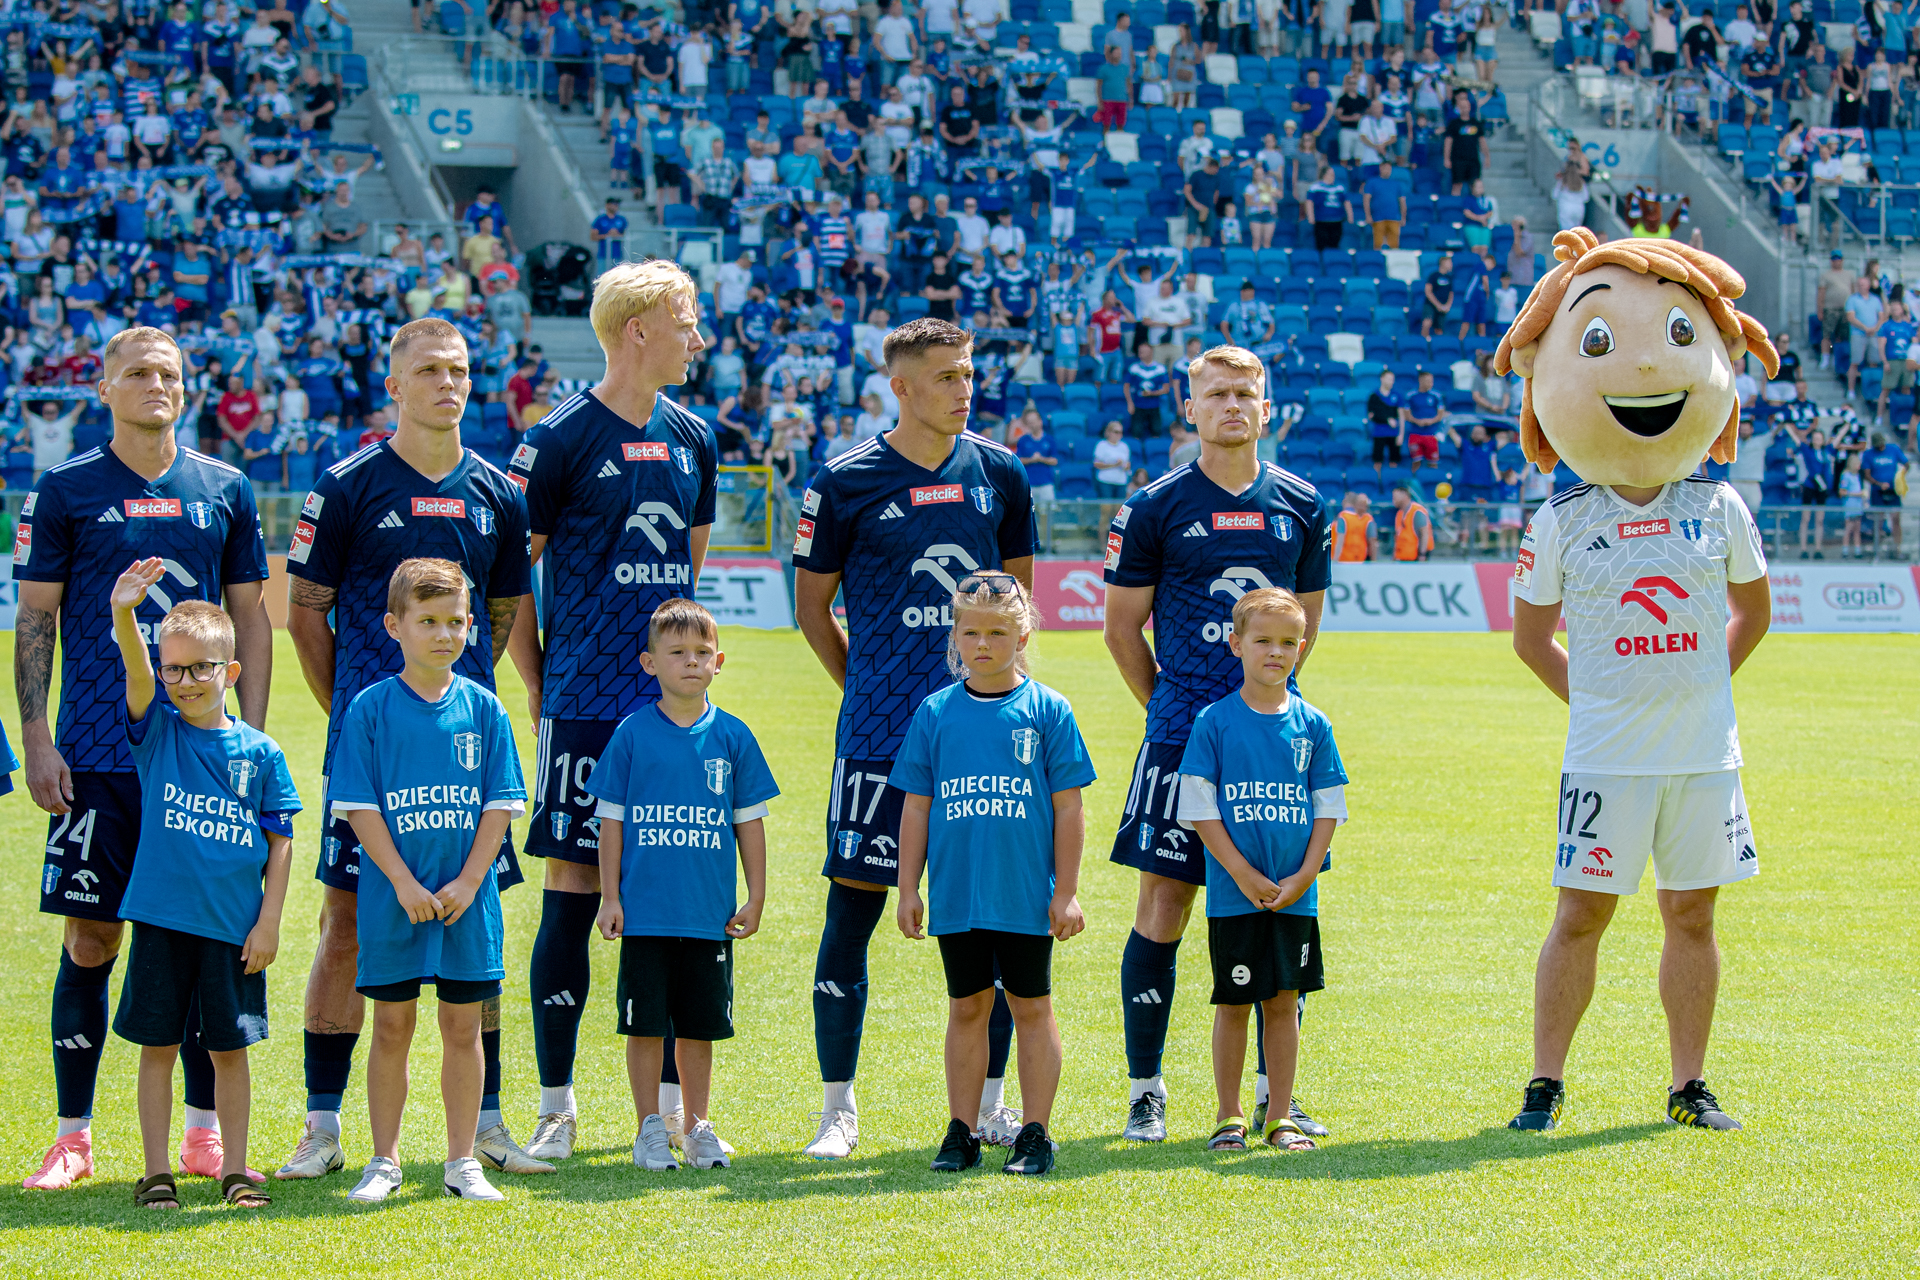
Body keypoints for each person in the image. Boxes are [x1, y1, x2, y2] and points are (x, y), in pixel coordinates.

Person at [275, 317, 540, 1181]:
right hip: (373, 753)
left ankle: (487, 1126)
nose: (447, 384)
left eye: (458, 370)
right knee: (345, 923)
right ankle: (323, 1127)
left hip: (463, 753)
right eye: (428, 370)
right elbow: (305, 613)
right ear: (393, 386)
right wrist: (359, 718)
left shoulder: (499, 492)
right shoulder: (346, 485)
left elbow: (500, 615)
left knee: (476, 922)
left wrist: (445, 718)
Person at [16, 327, 274, 1192]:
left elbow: (252, 616)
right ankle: (73, 1137)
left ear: (186, 387)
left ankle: (204, 1135)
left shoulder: (224, 487)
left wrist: (248, 742)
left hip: (201, 766)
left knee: (204, 939)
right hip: (97, 755)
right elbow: (37, 618)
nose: (155, 385)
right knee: (91, 939)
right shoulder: (64, 489)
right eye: (136, 373)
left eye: (168, 373)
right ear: (104, 389)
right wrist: (38, 738)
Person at [790, 316, 1037, 1160]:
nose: (964, 389)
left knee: (993, 924)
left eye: (968, 373)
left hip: (982, 742)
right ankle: (837, 1110)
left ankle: (992, 1106)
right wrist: (866, 687)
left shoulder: (1000, 473)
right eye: (946, 376)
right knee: (850, 916)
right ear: (900, 386)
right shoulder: (844, 480)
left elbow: (1015, 607)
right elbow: (811, 609)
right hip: (878, 739)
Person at [506, 260, 719, 1162]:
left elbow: (688, 576)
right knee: (573, 890)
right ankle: (557, 1105)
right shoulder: (556, 439)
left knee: (671, 899)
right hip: (585, 705)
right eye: (686, 321)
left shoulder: (695, 438)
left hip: (673, 713)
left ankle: (668, 1112)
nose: (697, 338)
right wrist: (541, 680)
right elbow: (511, 578)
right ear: (638, 330)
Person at [1103, 344, 1333, 1144]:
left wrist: (1260, 714)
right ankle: (1146, 1090)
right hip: (1178, 739)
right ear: (1190, 408)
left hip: (1270, 749)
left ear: (1266, 409)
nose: (1232, 406)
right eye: (1217, 394)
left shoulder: (1302, 504)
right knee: (1163, 906)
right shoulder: (1153, 507)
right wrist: (1177, 713)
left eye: (1245, 394)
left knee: (1279, 905)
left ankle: (1276, 1098)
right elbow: (1121, 629)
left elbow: (1303, 627)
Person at [328, 558, 528, 1203]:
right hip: (396, 901)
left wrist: (470, 882)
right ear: (395, 625)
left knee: (464, 1030)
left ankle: (462, 1162)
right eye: (429, 621)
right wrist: (402, 882)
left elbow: (500, 805)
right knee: (391, 1027)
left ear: (471, 626)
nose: (444, 634)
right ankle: (383, 1161)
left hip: (467, 903)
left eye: (456, 622)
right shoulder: (370, 708)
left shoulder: (485, 709)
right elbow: (359, 806)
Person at [894, 574, 1095, 1175]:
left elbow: (1069, 807)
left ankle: (1036, 1133)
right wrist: (908, 888)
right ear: (955, 637)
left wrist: (1066, 892)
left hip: (1024, 895)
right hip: (959, 894)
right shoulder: (935, 712)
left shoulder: (1048, 710)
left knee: (1032, 1008)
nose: (983, 644)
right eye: (972, 633)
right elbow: (916, 807)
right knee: (966, 1008)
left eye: (999, 633)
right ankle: (962, 1132)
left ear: (1023, 635)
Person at [109, 580, 299, 1210]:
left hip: (232, 929)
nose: (185, 681)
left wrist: (269, 921)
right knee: (158, 1048)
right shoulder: (157, 733)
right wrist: (124, 612)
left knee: (229, 1051)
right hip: (162, 921)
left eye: (200, 668)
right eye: (174, 669)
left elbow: (280, 840)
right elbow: (136, 670)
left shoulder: (261, 753)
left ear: (230, 672)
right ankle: (156, 1173)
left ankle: (235, 1171)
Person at [587, 598, 778, 1172]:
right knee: (644, 1025)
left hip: (708, 916)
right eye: (676, 653)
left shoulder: (734, 737)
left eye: (701, 652)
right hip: (645, 914)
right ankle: (649, 1128)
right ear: (649, 663)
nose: (691, 662)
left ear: (718, 661)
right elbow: (611, 823)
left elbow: (749, 823)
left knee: (699, 1027)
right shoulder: (631, 735)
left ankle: (697, 1127)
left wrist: (756, 896)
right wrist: (611, 896)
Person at [1178, 587, 1346, 1152]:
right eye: (1263, 641)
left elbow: (1327, 806)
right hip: (1236, 893)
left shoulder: (1313, 725)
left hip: (1294, 893)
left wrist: (1305, 876)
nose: (1276, 652)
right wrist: (1242, 874)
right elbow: (1200, 807)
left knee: (1283, 1003)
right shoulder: (1214, 722)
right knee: (1233, 1003)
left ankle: (1279, 1117)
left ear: (1302, 647)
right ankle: (1229, 1116)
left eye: (1289, 643)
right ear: (1236, 644)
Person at [1388, 483, 1432, 560]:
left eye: (1395, 497)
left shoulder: (1417, 511)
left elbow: (1424, 534)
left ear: (1405, 495)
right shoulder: (1399, 514)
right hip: (1403, 556)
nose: (1393, 500)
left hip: (1416, 556)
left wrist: (1422, 554)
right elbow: (1398, 536)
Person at [1333, 491, 1376, 561]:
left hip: (1348, 559)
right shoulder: (1367, 519)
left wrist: (1335, 559)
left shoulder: (1343, 517)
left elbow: (1340, 540)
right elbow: (1372, 541)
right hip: (1356, 558)